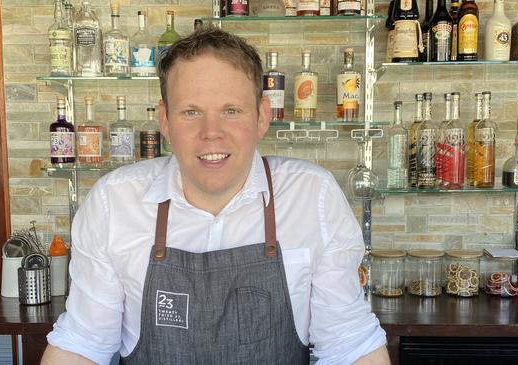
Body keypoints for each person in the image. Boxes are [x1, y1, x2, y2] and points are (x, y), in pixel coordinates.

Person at [42, 27, 390, 365]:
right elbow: (84, 342)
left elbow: (349, 344)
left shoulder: (311, 196)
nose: (211, 133)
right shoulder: (114, 203)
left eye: (231, 111)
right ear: (164, 120)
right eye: (191, 112)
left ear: (262, 116)